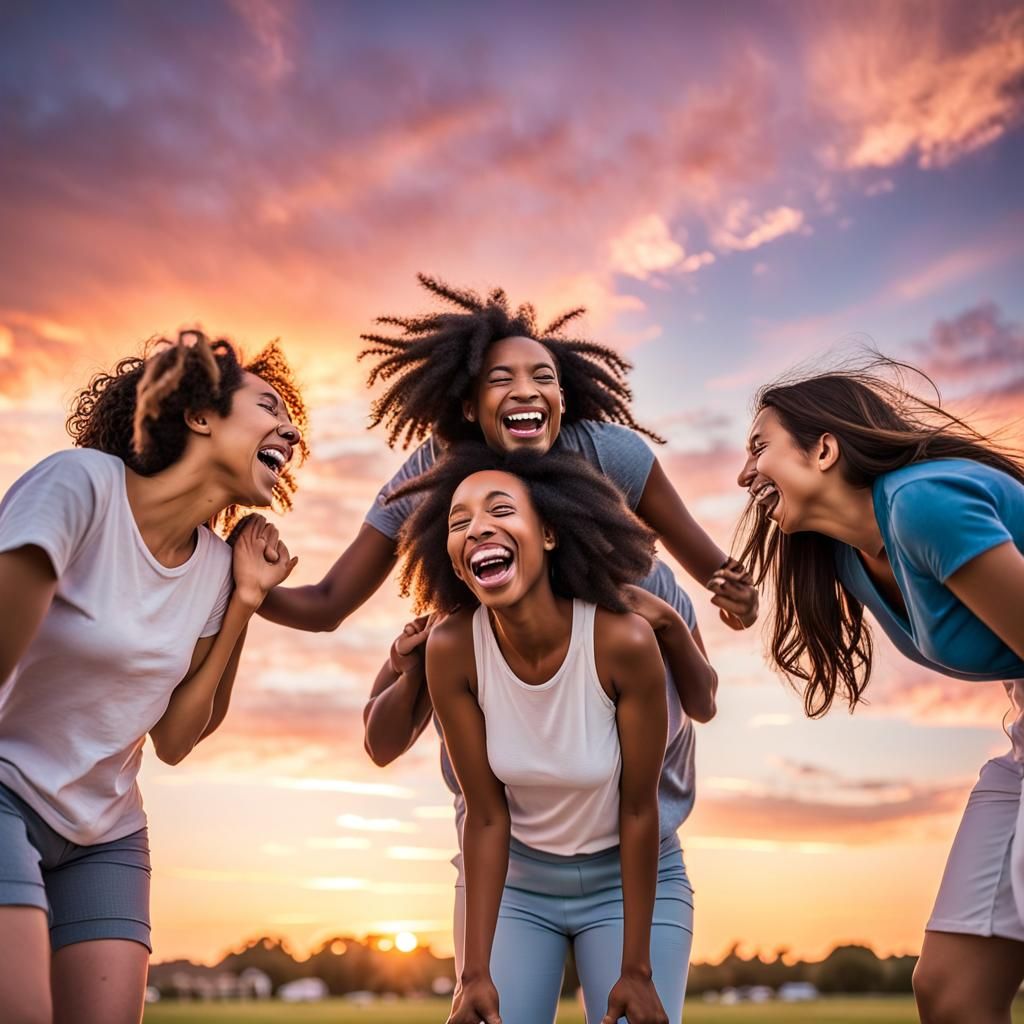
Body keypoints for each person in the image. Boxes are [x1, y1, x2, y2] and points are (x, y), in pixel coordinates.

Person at [0, 330, 306, 1024]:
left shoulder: (212, 572)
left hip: (103, 834)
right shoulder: (79, 486)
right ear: (199, 413)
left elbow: (172, 739)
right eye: (267, 406)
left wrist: (246, 601)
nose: (288, 428)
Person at [735, 361, 1024, 1024]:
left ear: (825, 448)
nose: (744, 475)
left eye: (758, 448)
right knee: (953, 991)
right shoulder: (849, 558)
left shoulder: (925, 503)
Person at [396, 442, 717, 1024]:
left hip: (629, 877)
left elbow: (641, 809)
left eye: (500, 511)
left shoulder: (623, 642)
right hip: (516, 883)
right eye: (458, 522)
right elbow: (485, 815)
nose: (476, 529)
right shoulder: (451, 648)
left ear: (547, 534)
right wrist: (472, 975)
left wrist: (636, 970)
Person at [258, 274, 757, 635]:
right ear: (471, 408)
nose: (526, 391)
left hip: (646, 632)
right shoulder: (433, 475)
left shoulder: (608, 452)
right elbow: (327, 605)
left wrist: (740, 602)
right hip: (533, 647)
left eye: (543, 379)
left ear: (562, 399)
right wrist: (239, 585)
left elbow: (719, 573)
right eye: (501, 379)